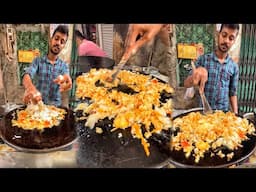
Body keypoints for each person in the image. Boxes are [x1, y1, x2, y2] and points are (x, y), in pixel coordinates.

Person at [184, 24, 240, 113]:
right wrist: (194, 75)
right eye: (224, 35)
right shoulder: (203, 60)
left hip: (222, 116)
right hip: (203, 114)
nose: (226, 41)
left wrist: (236, 115)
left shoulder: (234, 67)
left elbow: (232, 93)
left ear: (234, 41)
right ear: (218, 34)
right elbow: (186, 84)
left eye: (231, 38)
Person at [22, 25, 72, 107]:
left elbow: (66, 76)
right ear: (50, 40)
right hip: (38, 107)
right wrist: (30, 88)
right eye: (56, 38)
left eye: (62, 42)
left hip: (55, 110)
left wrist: (67, 80)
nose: (58, 43)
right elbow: (27, 74)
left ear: (63, 46)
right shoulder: (37, 61)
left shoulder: (64, 65)